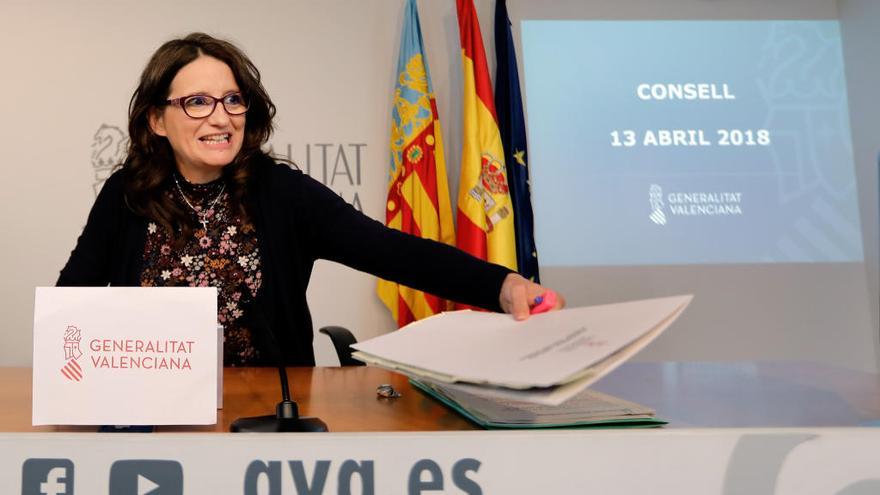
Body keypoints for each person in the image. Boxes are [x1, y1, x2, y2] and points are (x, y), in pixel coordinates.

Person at [58, 33, 564, 367]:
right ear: (156, 119)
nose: (221, 117)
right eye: (197, 102)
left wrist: (502, 285)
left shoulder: (282, 192)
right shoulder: (128, 193)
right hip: (152, 410)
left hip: (267, 411)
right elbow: (72, 300)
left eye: (233, 99)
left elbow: (392, 252)